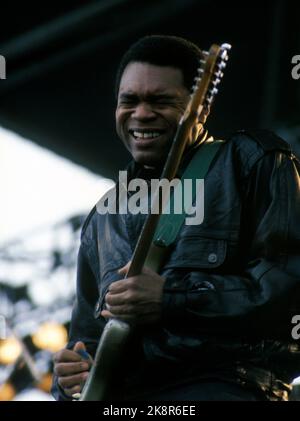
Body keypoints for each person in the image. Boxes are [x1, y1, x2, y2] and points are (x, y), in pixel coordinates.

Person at [51, 35, 300, 401]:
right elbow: (86, 339)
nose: (141, 114)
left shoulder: (251, 162)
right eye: (129, 101)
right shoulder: (104, 217)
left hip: (226, 387)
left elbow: (290, 291)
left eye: (160, 101)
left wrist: (172, 299)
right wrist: (71, 377)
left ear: (200, 106)